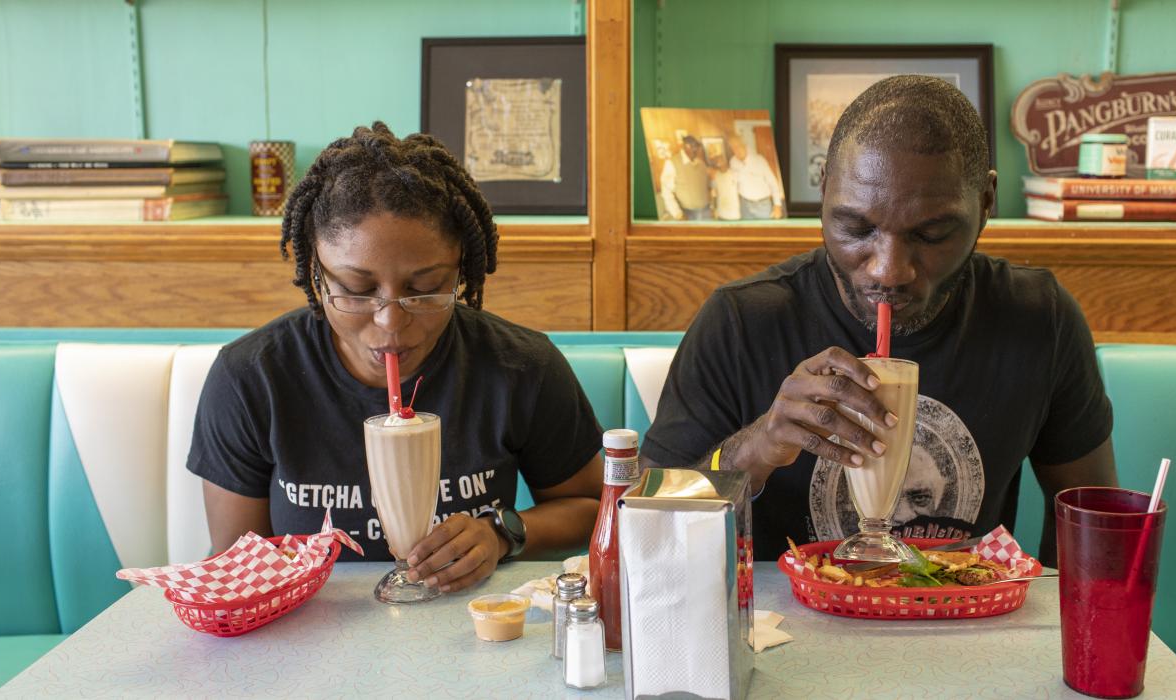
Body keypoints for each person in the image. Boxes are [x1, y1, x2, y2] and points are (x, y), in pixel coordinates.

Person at [641, 76, 1117, 563]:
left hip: (965, 628)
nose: (888, 270)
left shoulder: (1038, 319)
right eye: (856, 228)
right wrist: (756, 449)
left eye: (931, 234)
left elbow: (1094, 531)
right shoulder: (742, 322)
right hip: (782, 632)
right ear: (825, 189)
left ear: (986, 202)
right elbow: (648, 531)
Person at [188, 123, 604, 592]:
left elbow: (596, 510)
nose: (389, 322)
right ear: (314, 273)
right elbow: (235, 563)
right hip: (311, 636)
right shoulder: (251, 378)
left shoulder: (520, 367)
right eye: (357, 290)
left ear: (460, 270)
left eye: (425, 289)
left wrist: (501, 534)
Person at [728, 134, 784, 219]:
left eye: (738, 146)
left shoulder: (759, 160)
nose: (737, 150)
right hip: (745, 205)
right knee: (748, 231)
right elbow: (734, 182)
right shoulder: (733, 162)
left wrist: (777, 205)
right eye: (733, 147)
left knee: (764, 231)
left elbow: (773, 183)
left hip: (762, 205)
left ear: (744, 145)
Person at [660, 135, 712, 220]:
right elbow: (666, 191)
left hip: (706, 210)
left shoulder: (701, 163)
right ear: (687, 147)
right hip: (689, 213)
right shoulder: (672, 163)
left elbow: (707, 185)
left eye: (698, 147)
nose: (698, 150)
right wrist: (677, 214)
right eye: (695, 147)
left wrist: (712, 205)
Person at [709, 150, 742, 220]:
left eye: (721, 161)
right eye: (717, 162)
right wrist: (714, 209)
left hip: (735, 214)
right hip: (721, 213)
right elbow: (714, 194)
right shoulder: (715, 176)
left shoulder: (734, 174)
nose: (719, 163)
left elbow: (741, 192)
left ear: (725, 161)